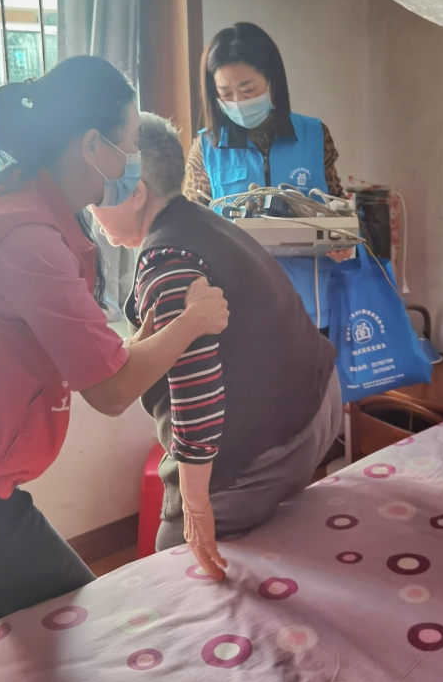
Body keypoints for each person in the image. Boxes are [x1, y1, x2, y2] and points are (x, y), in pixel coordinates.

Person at [0, 57, 228, 633]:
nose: (132, 158)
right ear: (92, 145)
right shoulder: (28, 238)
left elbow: (87, 349)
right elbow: (111, 391)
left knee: (17, 612)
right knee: (69, 618)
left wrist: (149, 337)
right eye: (128, 142)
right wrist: (193, 321)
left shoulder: (14, 198)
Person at [95, 113, 342, 580]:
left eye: (97, 197)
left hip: (281, 441)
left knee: (174, 557)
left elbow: (196, 394)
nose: (92, 210)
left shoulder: (166, 260)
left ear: (136, 192)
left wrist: (193, 508)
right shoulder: (204, 220)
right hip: (321, 400)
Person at [184, 22, 349, 332]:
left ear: (273, 80)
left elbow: (337, 206)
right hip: (237, 309)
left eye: (248, 90)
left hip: (311, 304)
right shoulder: (206, 149)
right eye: (225, 93)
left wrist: (342, 240)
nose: (238, 101)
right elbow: (191, 226)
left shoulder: (314, 136)